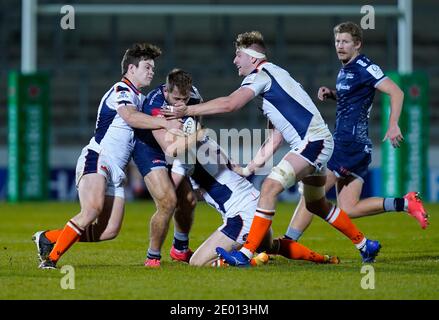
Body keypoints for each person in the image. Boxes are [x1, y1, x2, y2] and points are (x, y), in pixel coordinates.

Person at [163, 31, 381, 266]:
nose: (235, 61)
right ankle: (364, 244)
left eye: (238, 55)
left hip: (312, 142)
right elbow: (275, 138)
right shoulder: (276, 76)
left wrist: (187, 111)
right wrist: (250, 168)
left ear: (252, 57)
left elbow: (230, 104)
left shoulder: (260, 75)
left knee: (269, 187)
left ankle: (245, 254)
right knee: (316, 204)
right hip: (316, 142)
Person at [280, 21, 428, 245]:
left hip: (347, 143)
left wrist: (393, 124)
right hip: (356, 146)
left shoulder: (364, 66)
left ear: (357, 44)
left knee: (312, 194)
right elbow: (355, 98)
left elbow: (396, 92)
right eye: (337, 41)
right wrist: (332, 94)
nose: (340, 45)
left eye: (345, 41)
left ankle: (287, 244)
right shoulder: (346, 69)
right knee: (349, 207)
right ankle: (406, 204)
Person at [33, 43, 172, 269]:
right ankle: (50, 260)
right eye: (147, 67)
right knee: (91, 210)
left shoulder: (140, 97)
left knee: (108, 231)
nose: (151, 71)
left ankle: (49, 238)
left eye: (153, 68)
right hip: (98, 158)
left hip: (116, 171)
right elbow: (130, 117)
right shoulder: (121, 90)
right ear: (131, 69)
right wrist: (161, 122)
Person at [168, 128, 339, 267]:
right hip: (255, 202)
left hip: (242, 215)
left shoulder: (183, 156)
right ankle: (322, 258)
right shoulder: (207, 143)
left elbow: (169, 191)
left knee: (197, 263)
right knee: (270, 246)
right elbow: (226, 169)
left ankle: (253, 261)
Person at [132, 68, 203, 267]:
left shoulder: (195, 97)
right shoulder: (154, 103)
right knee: (168, 201)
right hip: (150, 149)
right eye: (176, 98)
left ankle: (180, 249)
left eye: (185, 99)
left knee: (188, 200)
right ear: (166, 91)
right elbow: (168, 148)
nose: (181, 104)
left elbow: (196, 122)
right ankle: (152, 256)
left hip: (179, 144)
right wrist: (193, 136)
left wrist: (191, 133)